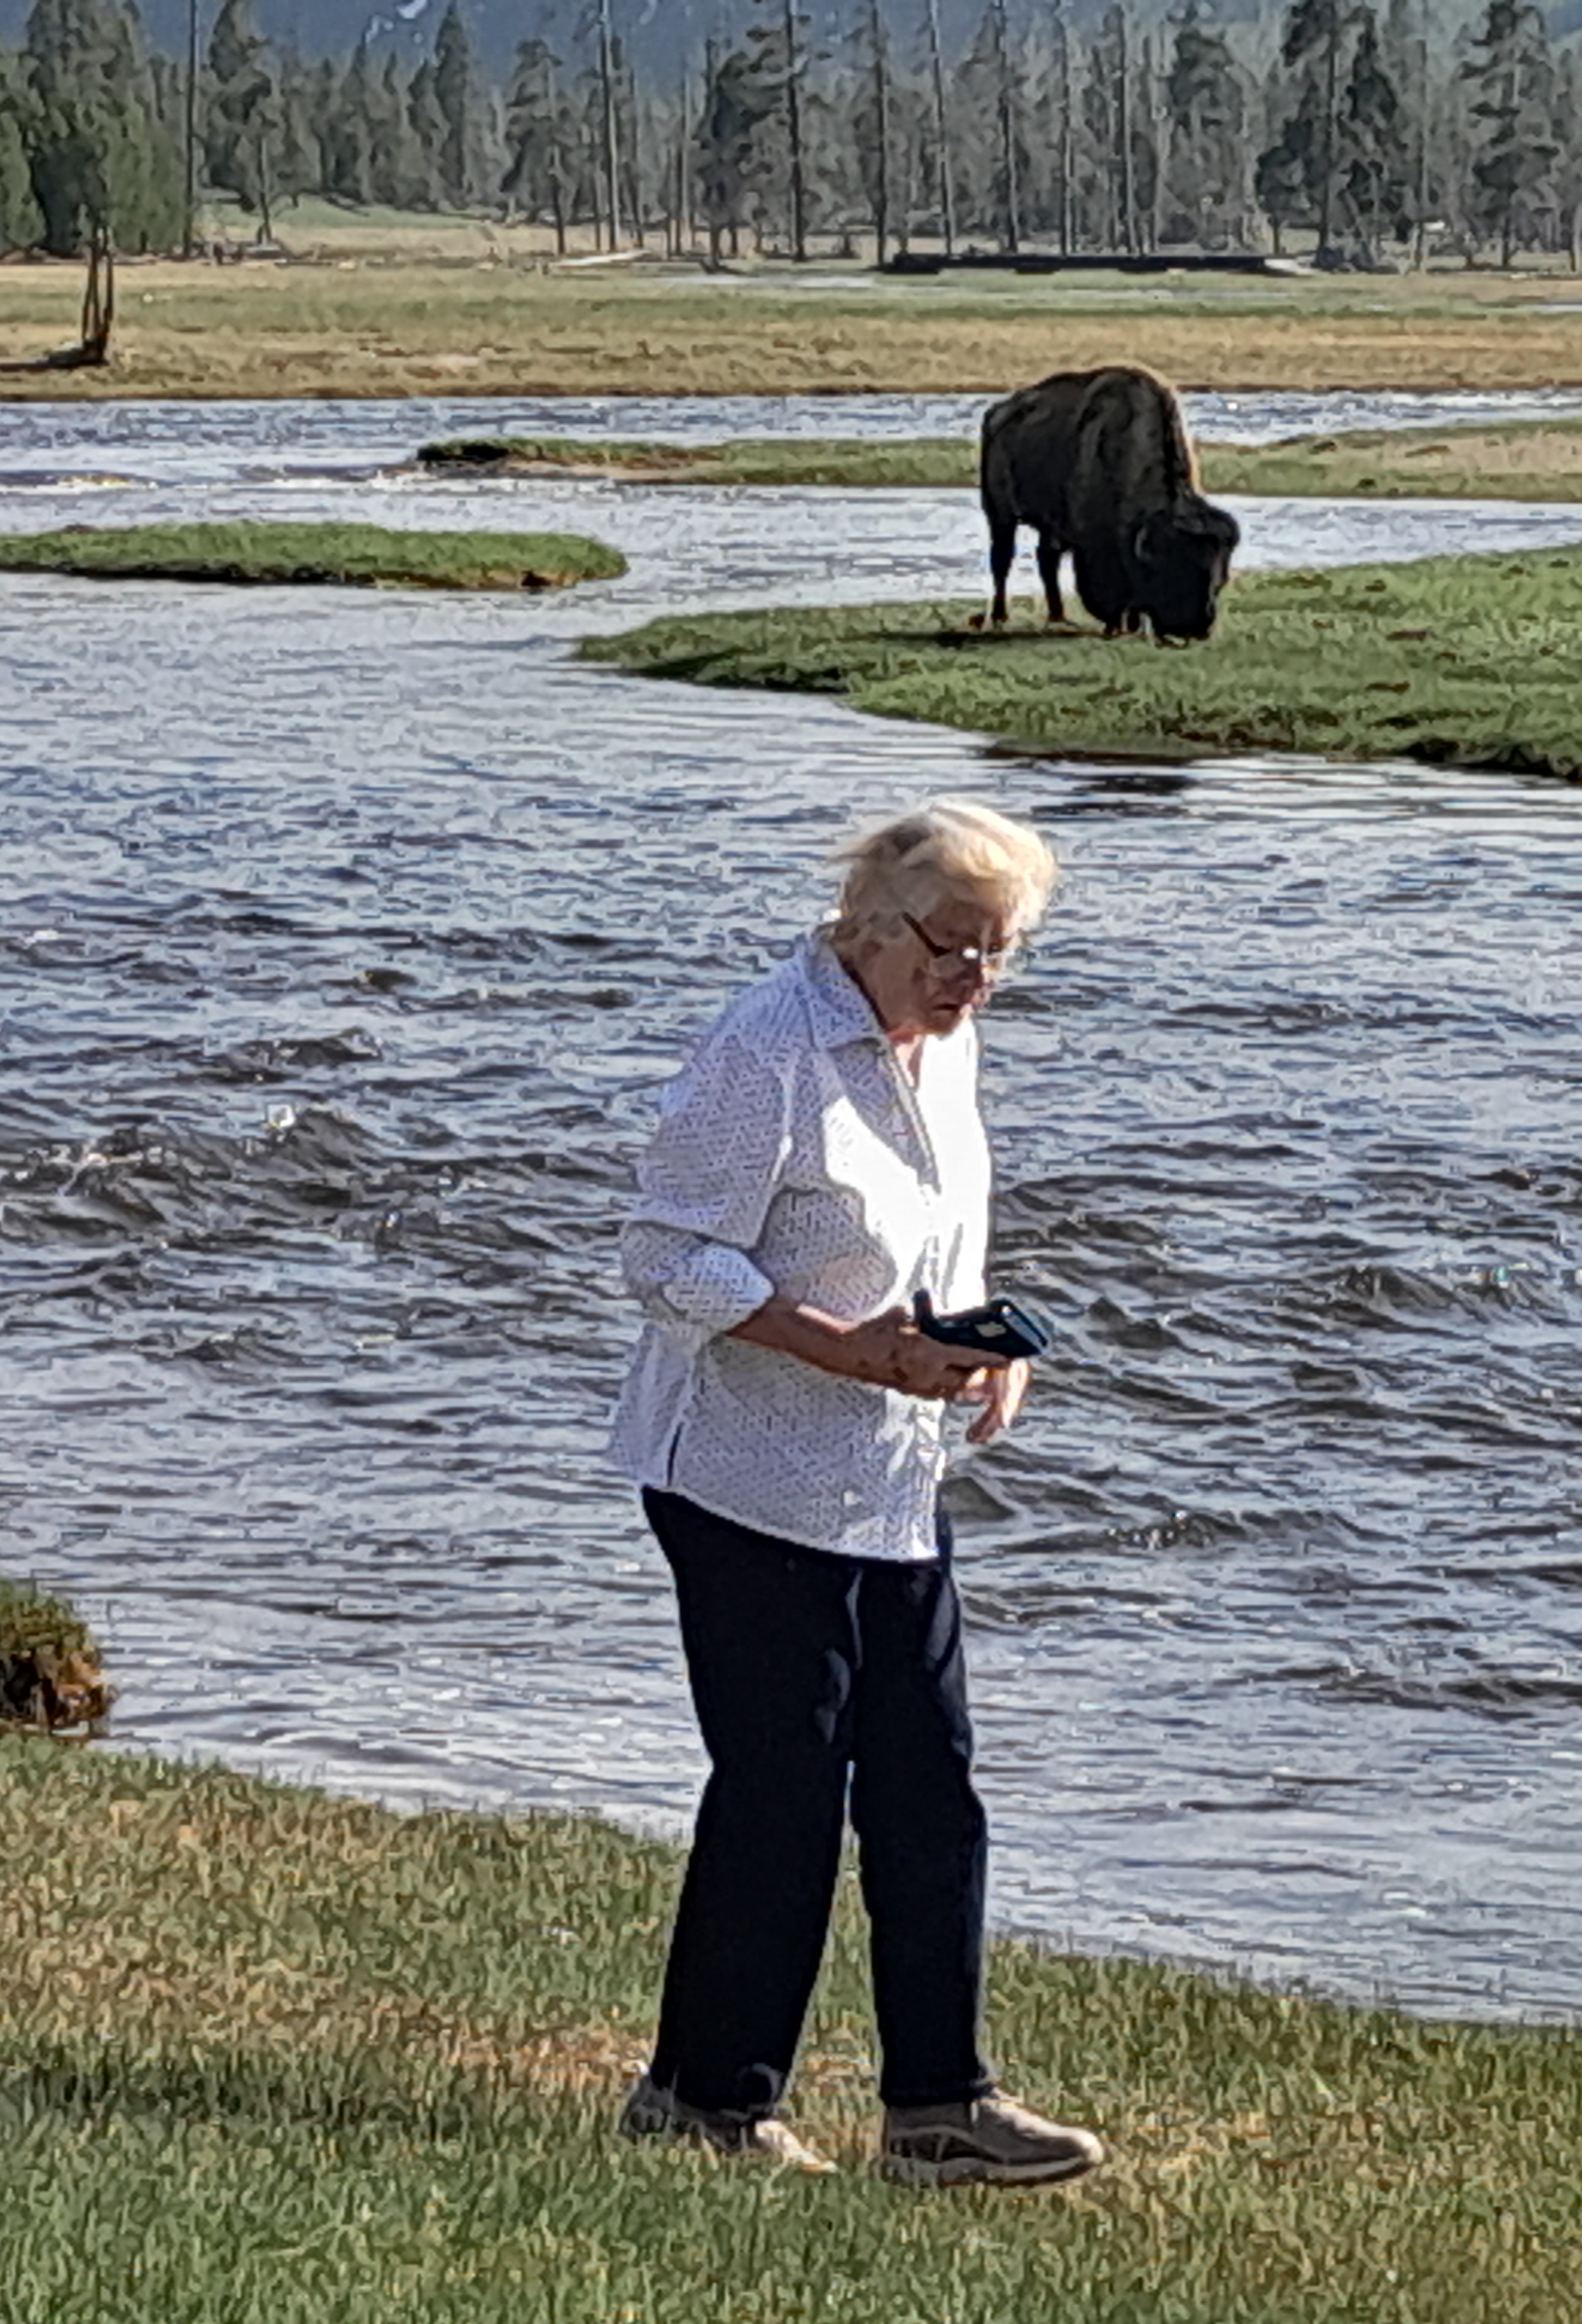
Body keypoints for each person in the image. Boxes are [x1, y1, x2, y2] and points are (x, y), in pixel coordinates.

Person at [605, 799, 1106, 2188]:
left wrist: (979, 1352)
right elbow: (662, 1259)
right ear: (875, 926)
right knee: (783, 1793)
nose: (975, 984)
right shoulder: (766, 1047)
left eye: (1000, 958)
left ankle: (941, 2108)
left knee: (931, 1788)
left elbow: (945, 1223)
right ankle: (705, 2108)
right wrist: (854, 1350)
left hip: (888, 1480)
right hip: (743, 1477)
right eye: (955, 950)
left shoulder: (940, 1045)